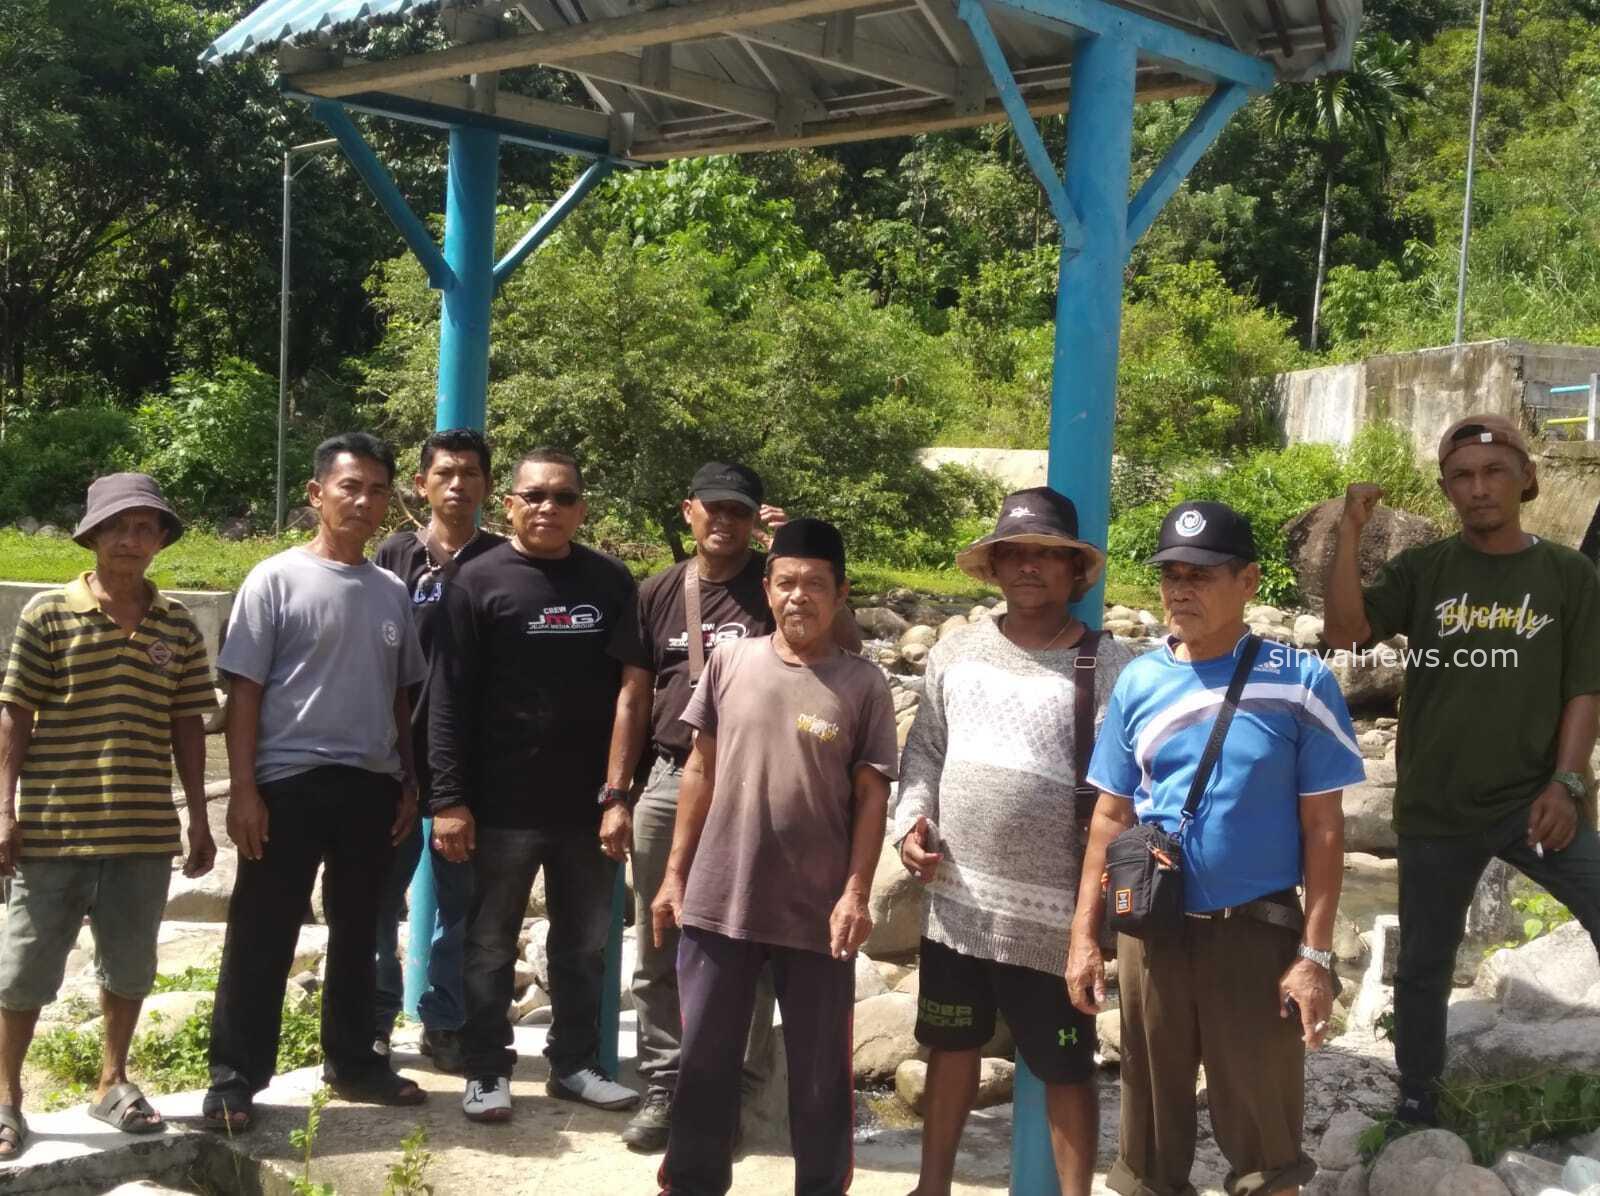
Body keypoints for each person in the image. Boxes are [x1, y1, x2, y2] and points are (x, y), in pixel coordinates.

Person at [1068, 500, 1364, 1196]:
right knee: (1147, 1145)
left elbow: (1325, 829)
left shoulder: (1301, 681)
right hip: (1151, 934)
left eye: (1200, 575)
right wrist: (1084, 936)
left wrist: (1315, 957)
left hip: (1255, 938)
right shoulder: (1139, 681)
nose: (1180, 590)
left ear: (1249, 581)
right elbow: (1110, 816)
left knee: (1267, 1151)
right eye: (1171, 574)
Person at [1324, 413, 1600, 1126]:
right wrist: (1349, 530)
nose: (1479, 488)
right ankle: (1418, 1098)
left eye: (1494, 472)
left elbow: (1584, 688)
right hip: (1437, 805)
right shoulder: (1425, 571)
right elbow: (1346, 633)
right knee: (1424, 964)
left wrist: (1567, 783)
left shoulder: (1568, 574)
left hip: (1535, 801)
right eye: (1462, 477)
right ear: (1447, 489)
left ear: (1526, 478)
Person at [598, 461, 859, 1151]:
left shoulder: (779, 583)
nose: (724, 521)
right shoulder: (658, 591)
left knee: (755, 941)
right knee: (661, 937)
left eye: (739, 511)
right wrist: (616, 793)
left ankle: (735, 1090)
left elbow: (846, 648)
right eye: (713, 508)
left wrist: (796, 549)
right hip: (672, 776)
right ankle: (666, 1084)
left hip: (759, 786)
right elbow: (632, 695)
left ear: (755, 519)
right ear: (689, 511)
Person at [893, 487, 1135, 1196]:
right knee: (950, 1049)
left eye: (1048, 556)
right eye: (1016, 553)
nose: (1030, 566)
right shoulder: (955, 651)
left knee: (1066, 1069)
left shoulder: (1107, 663)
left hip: (1056, 917)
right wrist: (910, 824)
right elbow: (925, 753)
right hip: (957, 903)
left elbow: (1124, 789)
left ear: (1075, 572)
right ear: (995, 567)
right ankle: (931, 1188)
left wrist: (1095, 916)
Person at [651, 517, 899, 1196]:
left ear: (841, 594)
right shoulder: (730, 662)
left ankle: (821, 1186)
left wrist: (856, 893)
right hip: (718, 896)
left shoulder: (863, 684)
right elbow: (698, 769)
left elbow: (872, 797)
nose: (798, 597)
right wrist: (674, 875)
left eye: (815, 585)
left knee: (820, 1074)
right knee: (704, 1059)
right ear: (767, 589)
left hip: (816, 910)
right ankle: (691, 1183)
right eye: (786, 583)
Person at [204, 433, 427, 1131]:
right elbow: (244, 692)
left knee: (361, 930)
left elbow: (401, 697)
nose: (363, 502)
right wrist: (243, 791)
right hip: (286, 784)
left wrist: (408, 782)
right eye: (349, 487)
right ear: (316, 493)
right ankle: (234, 1078)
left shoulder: (391, 592)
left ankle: (354, 1061)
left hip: (371, 786)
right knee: (261, 932)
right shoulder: (274, 579)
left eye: (377, 491)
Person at [0, 474, 217, 1157]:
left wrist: (200, 819)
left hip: (143, 830)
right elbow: (15, 716)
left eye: (145, 527)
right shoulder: (47, 613)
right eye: (118, 526)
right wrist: (3, 810)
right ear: (93, 535)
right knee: (23, 968)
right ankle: (6, 1098)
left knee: (129, 964)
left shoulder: (176, 624)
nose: (131, 539)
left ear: (160, 541)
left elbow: (188, 724)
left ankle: (112, 1081)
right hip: (52, 829)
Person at [428, 448, 642, 1122]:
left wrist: (619, 794)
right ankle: (486, 1068)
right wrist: (449, 800)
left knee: (583, 946)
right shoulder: (473, 580)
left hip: (587, 808)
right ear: (510, 504)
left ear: (582, 508)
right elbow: (446, 700)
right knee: (489, 945)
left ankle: (574, 1065)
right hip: (499, 807)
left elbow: (632, 695)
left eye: (564, 497)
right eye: (535, 496)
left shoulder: (611, 580)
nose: (549, 508)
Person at [371, 428, 503, 1074]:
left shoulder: (501, 561)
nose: (458, 484)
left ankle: (446, 1021)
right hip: (392, 762)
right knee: (376, 902)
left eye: (470, 473)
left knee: (464, 908)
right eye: (445, 473)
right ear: (421, 484)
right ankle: (373, 1020)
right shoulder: (392, 558)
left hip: (473, 773)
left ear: (488, 486)